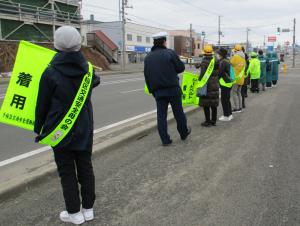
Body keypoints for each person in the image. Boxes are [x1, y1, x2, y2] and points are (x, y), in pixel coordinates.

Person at [34, 26, 100, 225]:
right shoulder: (87, 69)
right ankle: (88, 209)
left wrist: (38, 127)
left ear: (56, 45)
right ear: (78, 44)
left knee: (67, 172)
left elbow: (42, 104)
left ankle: (74, 213)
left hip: (59, 131)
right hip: (84, 129)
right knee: (85, 167)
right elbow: (96, 81)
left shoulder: (50, 72)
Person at [144, 32, 191, 146]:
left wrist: (152, 91)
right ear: (164, 41)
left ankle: (165, 140)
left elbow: (147, 75)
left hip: (158, 91)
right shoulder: (170, 53)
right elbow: (180, 68)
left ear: (154, 43)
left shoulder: (148, 57)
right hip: (173, 89)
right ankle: (183, 133)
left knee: (161, 116)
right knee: (178, 113)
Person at [198, 45, 219, 127]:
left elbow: (203, 75)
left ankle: (207, 121)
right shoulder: (216, 61)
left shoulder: (204, 62)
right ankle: (213, 121)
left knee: (206, 104)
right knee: (214, 103)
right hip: (215, 84)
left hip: (207, 85)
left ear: (204, 53)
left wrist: (199, 80)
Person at [218, 47, 234, 122]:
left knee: (224, 100)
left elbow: (220, 73)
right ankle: (230, 114)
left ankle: (226, 116)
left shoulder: (223, 62)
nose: (217, 55)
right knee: (227, 99)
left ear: (221, 54)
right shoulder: (228, 60)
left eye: (218, 54)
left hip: (224, 83)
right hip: (229, 82)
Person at [230, 44, 246, 113]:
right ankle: (240, 107)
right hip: (241, 78)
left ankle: (235, 108)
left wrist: (232, 55)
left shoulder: (236, 56)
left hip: (235, 78)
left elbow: (230, 63)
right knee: (239, 92)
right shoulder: (243, 57)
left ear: (235, 50)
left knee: (234, 93)